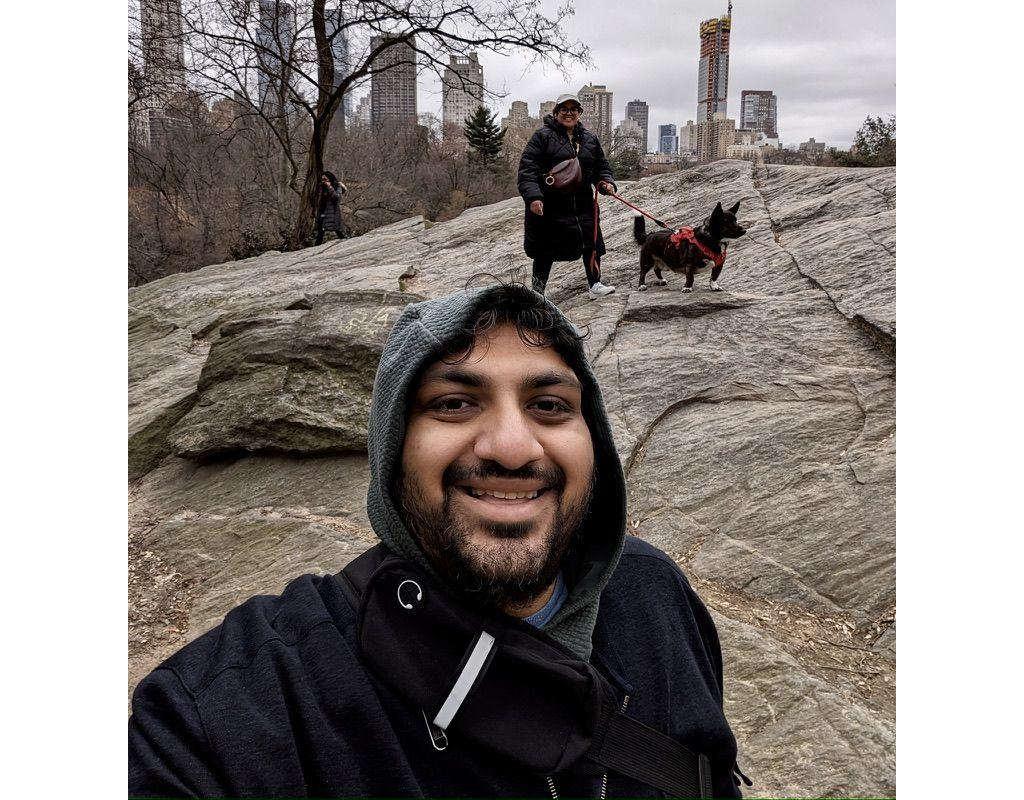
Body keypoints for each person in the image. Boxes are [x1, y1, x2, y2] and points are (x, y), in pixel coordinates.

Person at [128, 283, 745, 798]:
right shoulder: (251, 703)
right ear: (393, 453)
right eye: (453, 403)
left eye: (551, 405)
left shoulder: (655, 596)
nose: (510, 447)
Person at [518, 93, 618, 300]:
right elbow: (527, 169)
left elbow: (601, 166)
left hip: (583, 204)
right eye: (564, 109)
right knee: (544, 251)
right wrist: (534, 197)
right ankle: (537, 294)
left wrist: (606, 183)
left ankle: (595, 285)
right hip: (551, 205)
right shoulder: (542, 136)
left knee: (591, 245)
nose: (569, 113)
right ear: (556, 113)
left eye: (574, 109)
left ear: (580, 113)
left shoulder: (590, 139)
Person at [314, 171, 347, 244]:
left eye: (325, 179)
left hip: (333, 210)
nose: (324, 181)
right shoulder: (321, 186)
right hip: (323, 210)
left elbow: (337, 198)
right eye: (322, 179)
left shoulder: (337, 186)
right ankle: (317, 245)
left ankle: (345, 242)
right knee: (321, 230)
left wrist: (330, 187)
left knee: (337, 228)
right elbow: (316, 199)